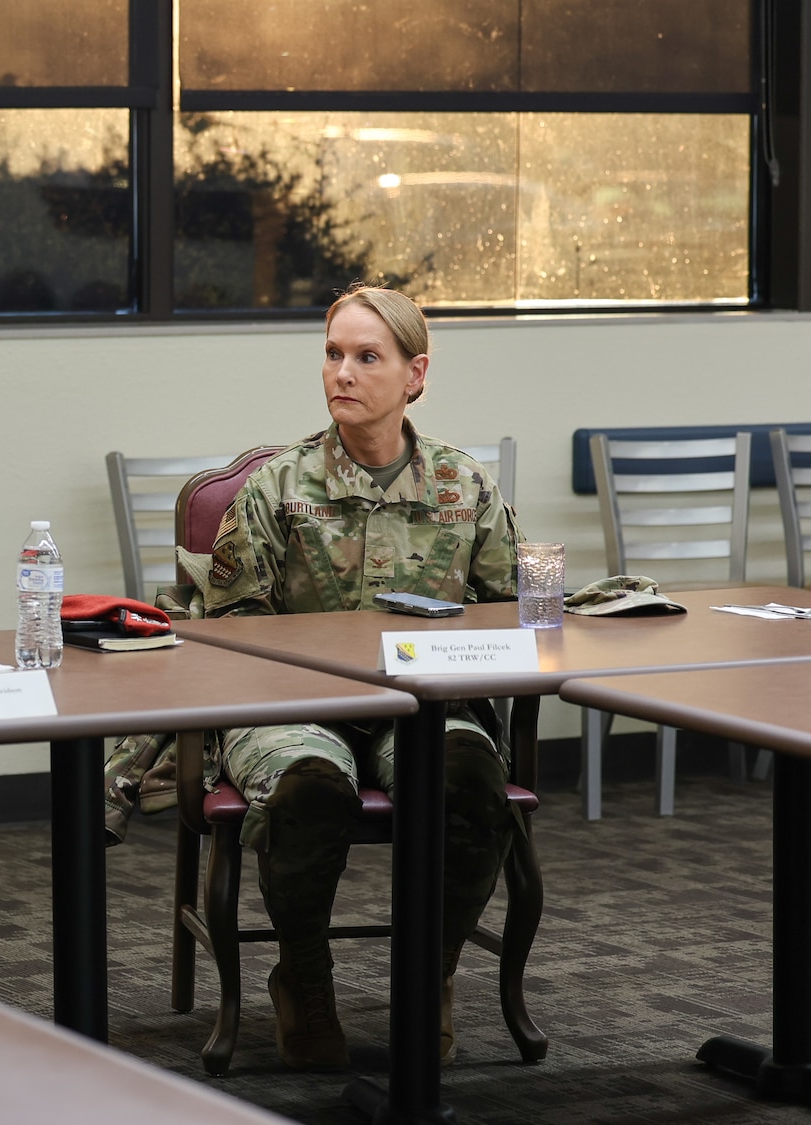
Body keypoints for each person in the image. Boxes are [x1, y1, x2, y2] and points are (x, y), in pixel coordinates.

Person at [110, 284, 520, 1068]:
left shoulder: (462, 488)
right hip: (292, 707)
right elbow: (228, 630)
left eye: (368, 357)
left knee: (469, 780)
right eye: (333, 354)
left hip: (422, 706)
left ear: (415, 374)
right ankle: (304, 978)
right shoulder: (277, 488)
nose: (343, 372)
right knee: (308, 788)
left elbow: (512, 612)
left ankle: (428, 978)